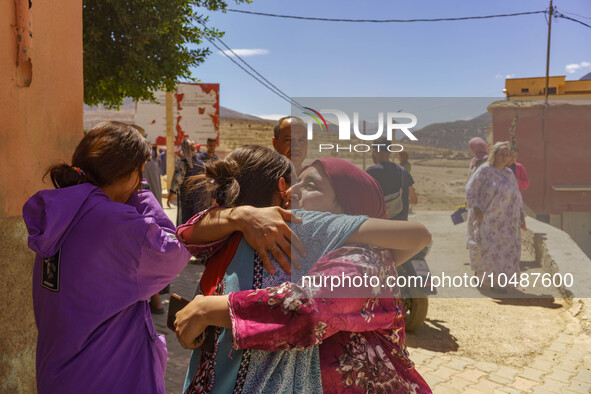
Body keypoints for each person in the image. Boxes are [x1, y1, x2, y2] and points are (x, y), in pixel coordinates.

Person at [174, 148, 431, 393]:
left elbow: (305, 311)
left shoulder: (367, 259)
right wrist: (239, 215)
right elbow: (190, 233)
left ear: (346, 212)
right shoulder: (296, 246)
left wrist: (205, 310)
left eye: (310, 186)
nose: (291, 191)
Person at [22, 121, 192, 393]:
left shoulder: (62, 210)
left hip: (58, 373)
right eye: (139, 172)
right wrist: (143, 194)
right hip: (107, 377)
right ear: (127, 173)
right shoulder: (115, 222)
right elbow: (175, 250)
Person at [465, 141, 525, 292]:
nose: (504, 157)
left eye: (506, 155)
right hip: (486, 219)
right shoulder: (484, 170)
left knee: (504, 252)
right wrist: (476, 207)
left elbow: (516, 196)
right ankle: (488, 280)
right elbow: (471, 189)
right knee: (488, 251)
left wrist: (521, 214)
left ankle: (501, 283)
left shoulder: (509, 174)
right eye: (501, 154)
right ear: (494, 154)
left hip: (505, 221)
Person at [367, 137, 417, 221]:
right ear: (390, 151)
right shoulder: (403, 172)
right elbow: (414, 199)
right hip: (401, 229)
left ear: (374, 151)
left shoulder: (370, 173)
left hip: (378, 228)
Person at [168, 138, 209, 226]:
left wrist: (171, 194)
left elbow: (177, 180)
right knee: (196, 217)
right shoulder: (199, 163)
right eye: (191, 147)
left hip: (190, 195)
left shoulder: (184, 163)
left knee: (189, 217)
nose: (193, 149)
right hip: (197, 195)